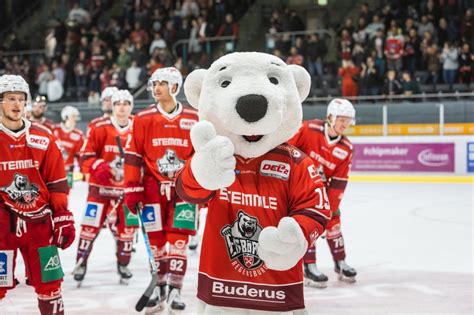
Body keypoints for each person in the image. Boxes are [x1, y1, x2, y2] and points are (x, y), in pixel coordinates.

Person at [124, 67, 199, 313]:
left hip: (183, 189)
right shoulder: (143, 118)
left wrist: (202, 188)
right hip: (152, 189)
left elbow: (201, 156)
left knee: (178, 239)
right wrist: (132, 189)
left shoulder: (194, 118)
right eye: (154, 83)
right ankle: (159, 286)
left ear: (175, 87)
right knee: (156, 240)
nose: (156, 88)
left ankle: (175, 288)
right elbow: (134, 155)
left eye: (163, 83)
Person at [0, 74, 75, 314]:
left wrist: (63, 216)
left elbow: (57, 182)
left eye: (21, 99)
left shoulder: (43, 136)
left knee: (50, 285)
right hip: (2, 224)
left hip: (39, 223)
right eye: (10, 98)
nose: (16, 104)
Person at [289, 98, 357, 288]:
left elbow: (339, 181)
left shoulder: (346, 148)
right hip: (297, 189)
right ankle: (309, 266)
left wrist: (330, 208)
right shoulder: (308, 129)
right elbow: (287, 150)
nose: (345, 124)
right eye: (341, 119)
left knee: (334, 221)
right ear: (330, 117)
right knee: (308, 224)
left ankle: (340, 262)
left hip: (322, 193)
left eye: (348, 120)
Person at [74, 89, 137, 286]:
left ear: (131, 106)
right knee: (89, 228)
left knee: (127, 232)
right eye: (118, 103)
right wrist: (97, 166)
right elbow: (85, 155)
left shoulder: (140, 126)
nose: (121, 107)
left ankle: (123, 264)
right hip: (99, 191)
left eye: (126, 104)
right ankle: (81, 263)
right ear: (112, 106)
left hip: (127, 193)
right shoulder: (98, 126)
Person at [53, 106, 84, 188]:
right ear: (66, 116)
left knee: (66, 194)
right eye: (73, 116)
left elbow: (80, 155)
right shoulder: (54, 130)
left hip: (68, 170)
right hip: (53, 168)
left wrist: (82, 170)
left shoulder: (78, 134)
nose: (76, 119)